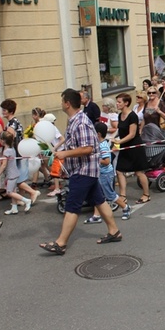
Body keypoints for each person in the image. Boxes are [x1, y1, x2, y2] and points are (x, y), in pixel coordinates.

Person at [40, 89, 122, 256]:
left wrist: (64, 154)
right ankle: (114, 232)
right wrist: (60, 151)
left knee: (72, 206)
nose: (61, 103)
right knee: (99, 200)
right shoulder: (74, 120)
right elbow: (73, 143)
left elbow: (87, 148)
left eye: (62, 100)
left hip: (83, 170)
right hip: (85, 169)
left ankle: (60, 243)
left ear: (67, 103)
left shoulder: (81, 122)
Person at [84, 122, 131, 223]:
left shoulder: (103, 146)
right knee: (97, 194)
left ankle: (126, 207)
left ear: (98, 134)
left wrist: (95, 159)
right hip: (100, 173)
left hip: (105, 174)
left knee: (110, 195)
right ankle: (96, 215)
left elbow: (107, 161)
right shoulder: (98, 144)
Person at [0, 99, 41, 205]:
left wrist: (4, 154)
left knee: (17, 179)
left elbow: (9, 139)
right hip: (20, 152)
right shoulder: (14, 122)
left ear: (10, 111)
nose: (3, 112)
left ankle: (32, 192)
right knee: (19, 177)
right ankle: (19, 199)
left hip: (16, 153)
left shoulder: (12, 123)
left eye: (5, 110)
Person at [114, 93, 150, 205]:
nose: (117, 104)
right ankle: (123, 195)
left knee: (139, 172)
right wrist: (113, 138)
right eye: (117, 101)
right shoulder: (120, 115)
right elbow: (119, 130)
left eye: (119, 102)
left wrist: (119, 141)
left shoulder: (132, 116)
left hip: (135, 146)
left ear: (126, 103)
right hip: (125, 147)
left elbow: (132, 134)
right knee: (119, 170)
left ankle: (146, 194)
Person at [0, 131, 32, 215]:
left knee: (9, 192)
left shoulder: (6, 151)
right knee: (13, 191)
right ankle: (14, 208)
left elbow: (4, 165)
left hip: (11, 175)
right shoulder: (12, 149)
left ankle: (26, 200)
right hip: (14, 173)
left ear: (3, 141)